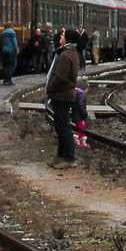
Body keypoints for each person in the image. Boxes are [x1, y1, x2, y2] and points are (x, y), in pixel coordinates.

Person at [45, 29, 83, 168]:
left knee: (63, 127)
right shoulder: (71, 53)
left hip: (62, 95)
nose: (60, 37)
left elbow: (60, 77)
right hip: (64, 94)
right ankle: (61, 156)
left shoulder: (66, 55)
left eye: (62, 35)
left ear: (67, 39)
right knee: (61, 125)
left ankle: (68, 157)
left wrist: (50, 88)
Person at [0, 21, 19, 85]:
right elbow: (14, 42)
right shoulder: (12, 32)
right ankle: (9, 80)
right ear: (11, 26)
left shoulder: (2, 33)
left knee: (6, 65)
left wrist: (1, 52)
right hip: (11, 51)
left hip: (4, 51)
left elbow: (0, 43)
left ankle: (5, 80)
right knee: (12, 65)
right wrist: (16, 49)